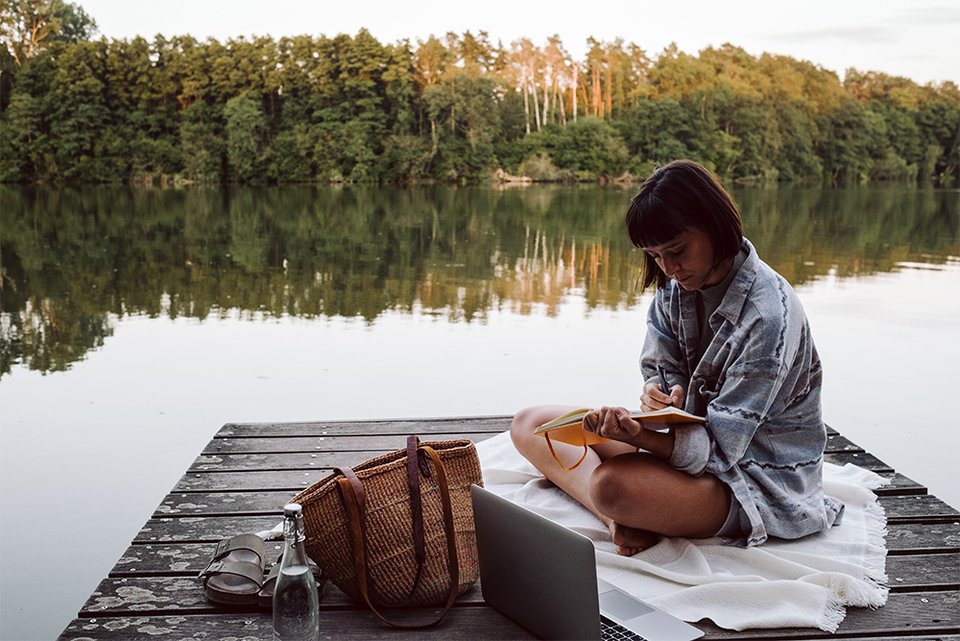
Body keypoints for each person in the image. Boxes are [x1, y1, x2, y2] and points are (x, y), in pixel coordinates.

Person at [510, 159, 843, 554]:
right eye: (654, 256)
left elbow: (720, 452)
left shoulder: (768, 316)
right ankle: (619, 519)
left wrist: (641, 437)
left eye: (677, 250)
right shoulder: (675, 284)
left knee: (611, 484)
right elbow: (660, 369)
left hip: (750, 479)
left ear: (716, 227)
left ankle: (625, 508)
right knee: (531, 423)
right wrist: (656, 397)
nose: (667, 268)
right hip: (684, 453)